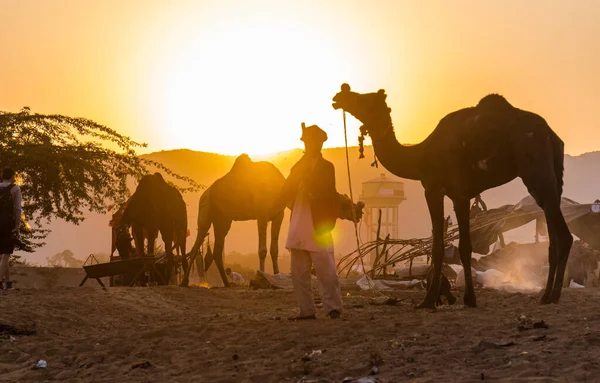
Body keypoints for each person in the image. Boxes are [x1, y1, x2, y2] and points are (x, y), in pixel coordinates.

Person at [270, 123, 343, 320]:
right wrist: (273, 207)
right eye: (310, 142)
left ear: (320, 144)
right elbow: (286, 190)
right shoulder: (298, 167)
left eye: (315, 142)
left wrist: (309, 183)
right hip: (299, 224)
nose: (313, 146)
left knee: (326, 272)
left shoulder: (327, 168)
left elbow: (327, 192)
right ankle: (306, 311)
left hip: (319, 224)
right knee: (299, 273)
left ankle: (333, 308)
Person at [0, 168, 23, 290]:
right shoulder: (15, 189)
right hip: (8, 224)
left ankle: (8, 283)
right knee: (6, 254)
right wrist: (17, 225)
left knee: (2, 255)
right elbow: (18, 209)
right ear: (12, 176)